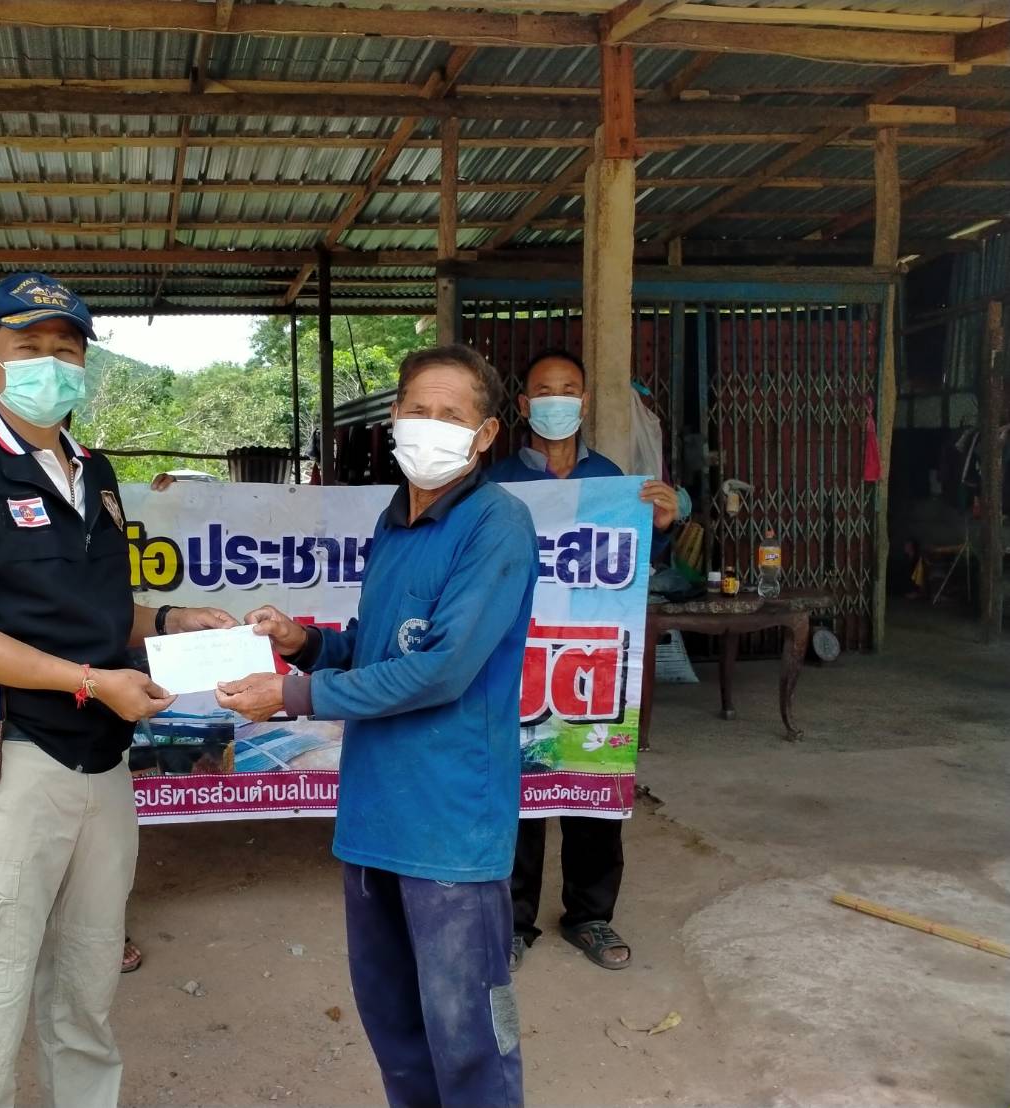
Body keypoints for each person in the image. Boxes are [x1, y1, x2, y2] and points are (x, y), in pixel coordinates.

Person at [0, 271, 236, 1108]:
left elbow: (100, 611)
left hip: (103, 764)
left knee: (86, 992)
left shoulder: (95, 472)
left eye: (66, 349)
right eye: (28, 347)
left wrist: (169, 622)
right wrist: (91, 681)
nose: (49, 363)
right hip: (15, 763)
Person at [217, 345, 538, 1108]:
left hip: (451, 825)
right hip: (374, 816)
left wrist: (292, 693)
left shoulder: (497, 523)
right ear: (392, 417)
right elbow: (380, 647)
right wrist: (305, 643)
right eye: (417, 410)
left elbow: (439, 670)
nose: (430, 425)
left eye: (451, 415)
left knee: (468, 1041)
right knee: (393, 1027)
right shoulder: (394, 522)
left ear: (486, 433)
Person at [486, 348, 680, 973]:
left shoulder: (611, 481)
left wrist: (662, 524)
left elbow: (634, 558)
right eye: (544, 390)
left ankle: (590, 915)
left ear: (585, 401)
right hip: (514, 657)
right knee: (517, 789)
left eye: (568, 389)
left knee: (592, 776)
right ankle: (512, 922)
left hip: (592, 659)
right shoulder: (494, 484)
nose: (557, 400)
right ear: (524, 404)